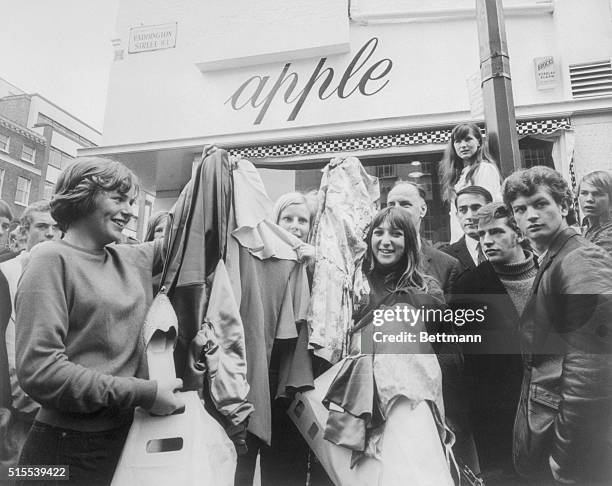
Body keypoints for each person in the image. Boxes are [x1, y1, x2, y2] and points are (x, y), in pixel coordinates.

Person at [15, 157, 184, 486]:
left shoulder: (131, 256)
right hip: (57, 450)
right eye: (118, 199)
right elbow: (41, 371)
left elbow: (198, 233)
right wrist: (145, 392)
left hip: (124, 439)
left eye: (132, 202)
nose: (130, 211)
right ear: (82, 197)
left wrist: (217, 165)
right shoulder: (49, 259)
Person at [503, 166, 612, 484]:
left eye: (540, 204)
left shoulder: (580, 260)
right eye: (520, 209)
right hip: (558, 432)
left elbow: (594, 371)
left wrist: (566, 459)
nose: (530, 215)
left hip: (576, 449)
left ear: (564, 207)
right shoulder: (557, 257)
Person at [450, 202, 535, 483]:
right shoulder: (469, 286)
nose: (487, 241)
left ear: (520, 234)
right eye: (482, 234)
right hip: (497, 419)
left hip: (552, 409)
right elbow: (460, 353)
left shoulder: (551, 273)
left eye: (496, 232)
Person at [0, 201, 61, 469]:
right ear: (24, 232)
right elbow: (10, 342)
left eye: (55, 227)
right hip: (14, 406)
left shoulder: (63, 271)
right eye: (42, 226)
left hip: (54, 407)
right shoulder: (5, 272)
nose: (50, 233)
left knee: (50, 475)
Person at [387, 181, 461, 295]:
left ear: (423, 210)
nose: (396, 210)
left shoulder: (447, 266)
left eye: (405, 204)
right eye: (391, 205)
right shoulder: (372, 260)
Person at [439, 123, 502, 243]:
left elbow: (489, 208)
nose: (463, 145)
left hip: (480, 239)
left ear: (478, 141)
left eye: (468, 139)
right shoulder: (458, 175)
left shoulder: (484, 169)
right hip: (461, 241)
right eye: (458, 141)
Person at [442, 186, 493, 274]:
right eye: (463, 210)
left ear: (490, 210)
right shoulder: (446, 256)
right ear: (457, 215)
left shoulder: (507, 248)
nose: (469, 216)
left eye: (476, 208)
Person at [578, 170, 612, 255]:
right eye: (584, 193)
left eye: (597, 194)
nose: (589, 199)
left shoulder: (608, 234)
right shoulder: (587, 225)